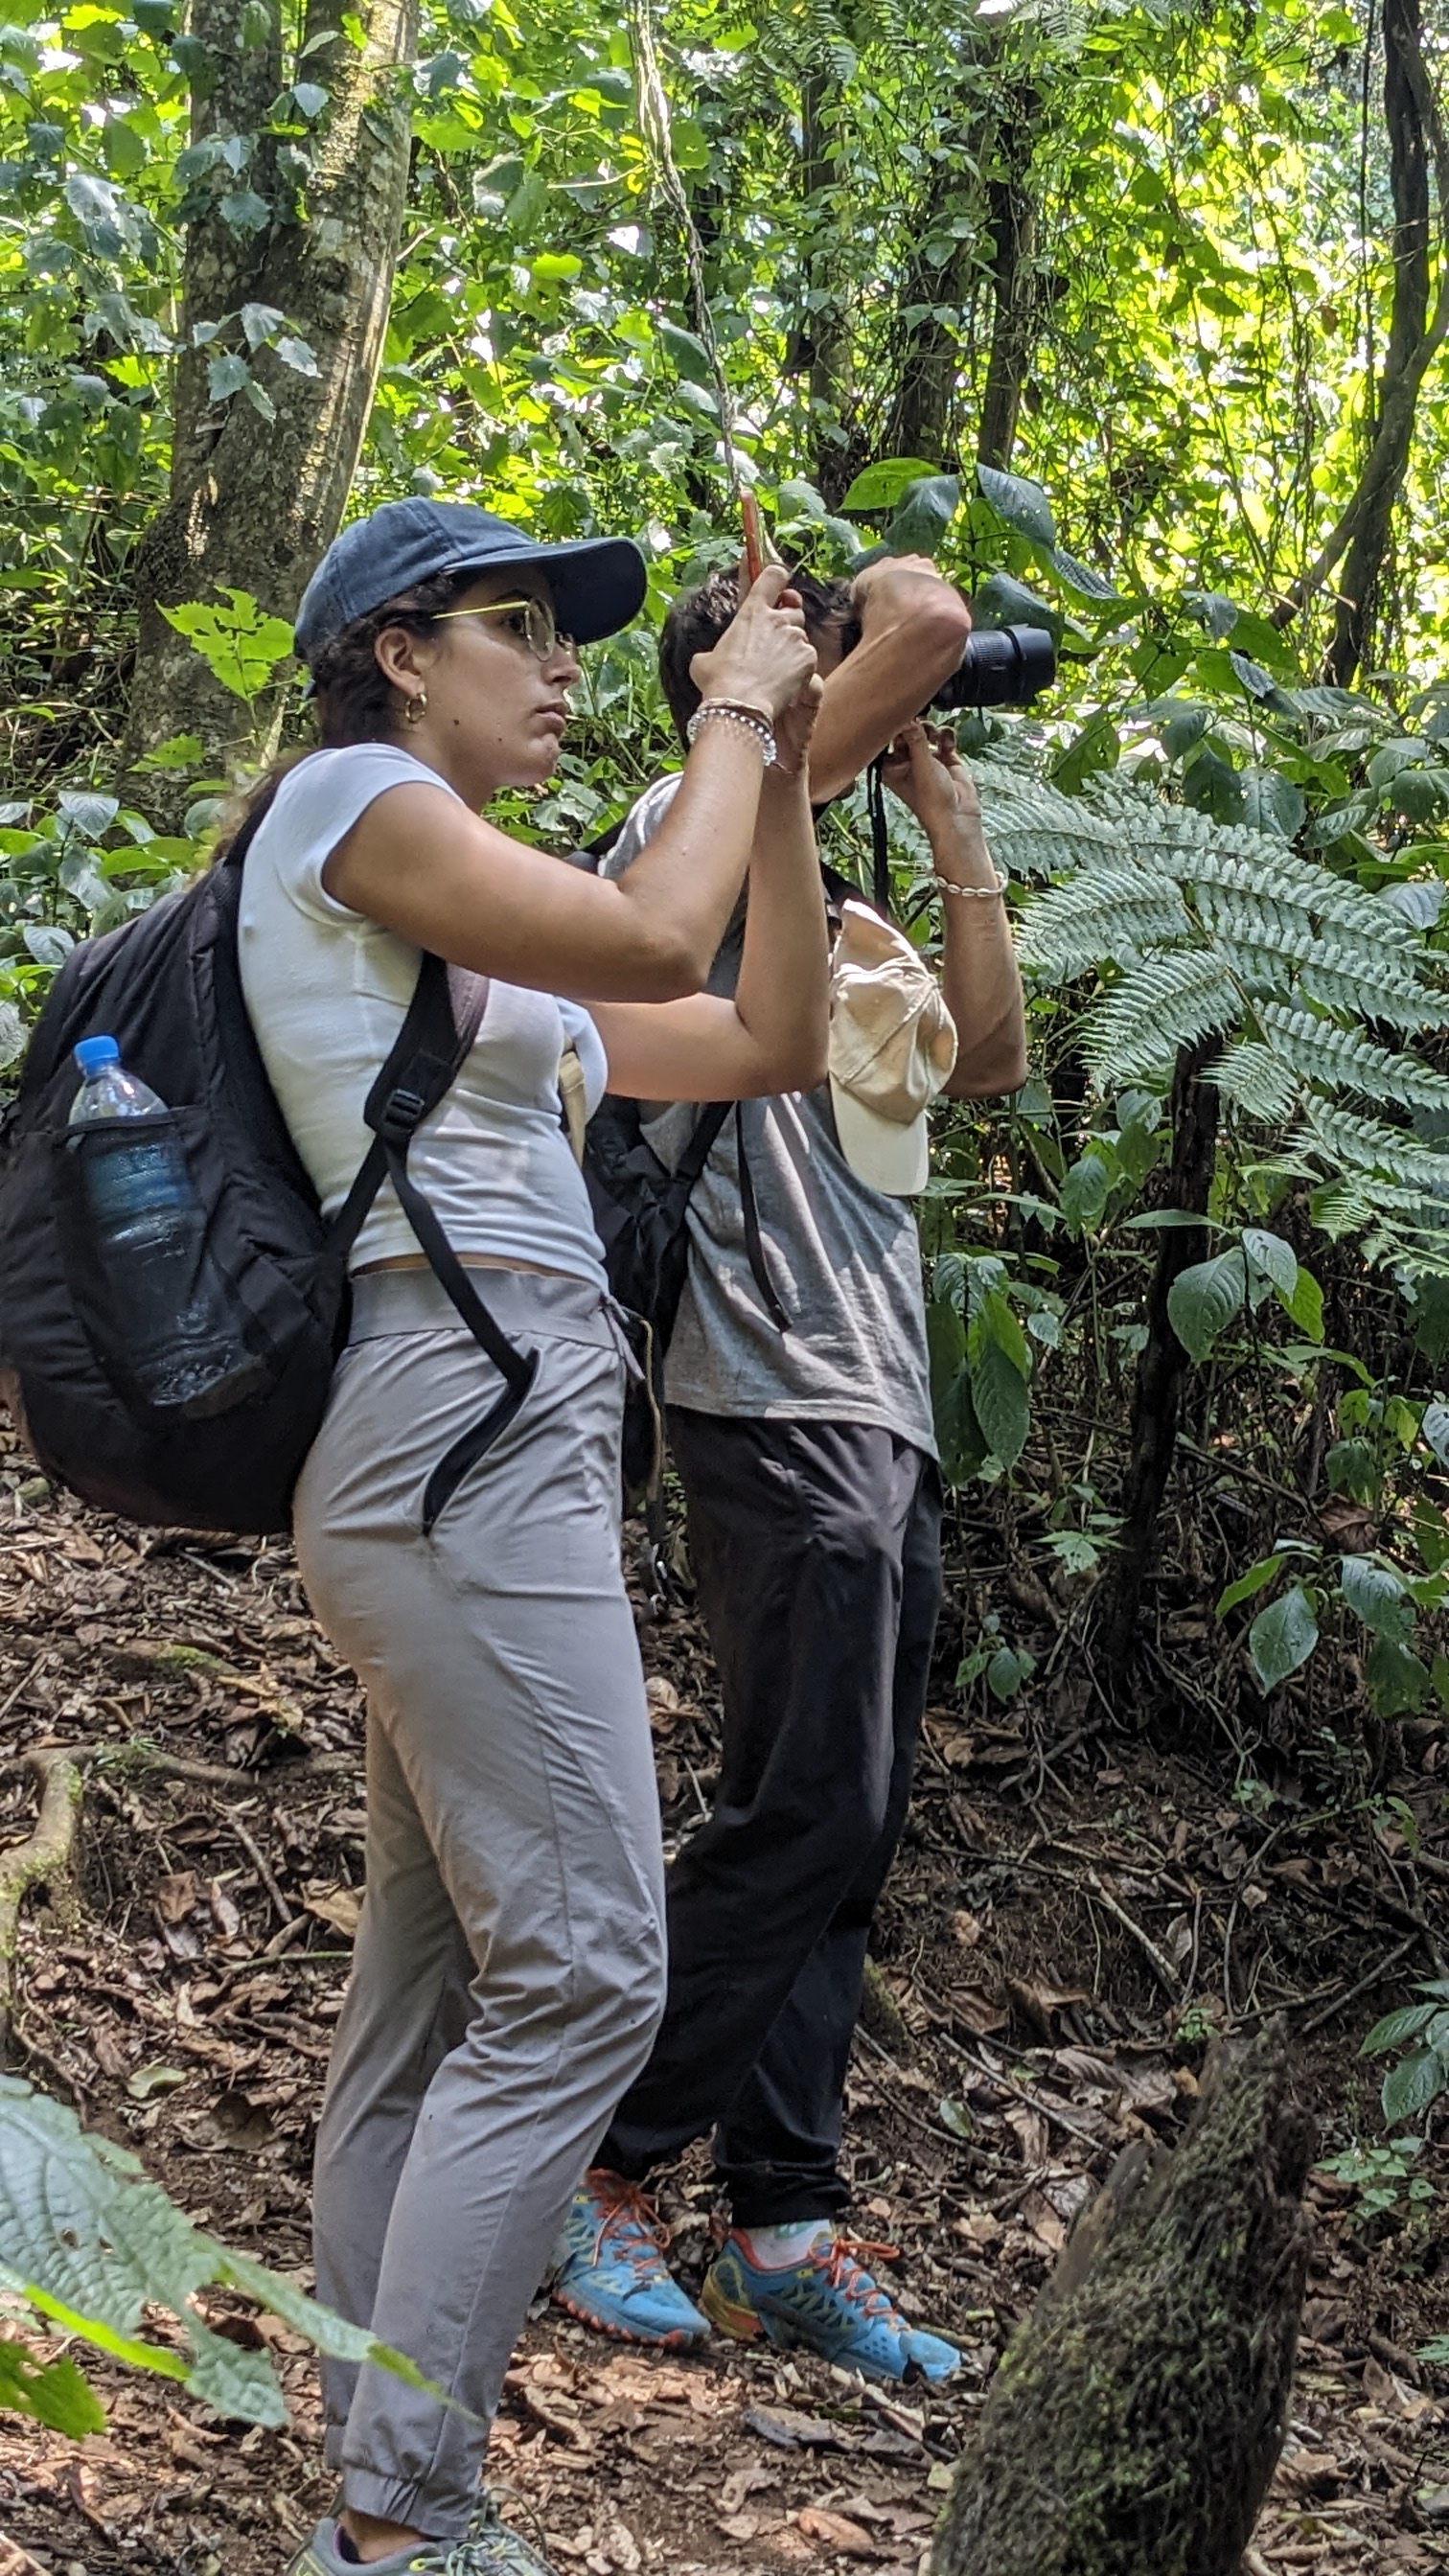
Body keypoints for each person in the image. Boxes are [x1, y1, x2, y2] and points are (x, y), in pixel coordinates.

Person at [230, 496, 826, 2576]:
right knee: (584, 1973)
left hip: (487, 1444)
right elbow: (656, 941)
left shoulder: (480, 956)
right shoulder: (351, 803)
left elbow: (760, 1036)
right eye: (513, 625)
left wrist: (784, 760)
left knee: (429, 2004)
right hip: (455, 1431)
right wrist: (739, 709)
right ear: (399, 652)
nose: (562, 663)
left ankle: (375, 2508)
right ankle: (407, 2525)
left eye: (572, 634)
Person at [551, 546, 1027, 2383]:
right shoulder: (701, 815)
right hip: (758, 1390)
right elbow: (920, 615)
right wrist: (850, 644)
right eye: (801, 668)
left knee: (853, 1831)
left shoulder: (829, 884)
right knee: (800, 1808)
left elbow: (977, 1063)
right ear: (756, 683)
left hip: (884, 1394)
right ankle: (595, 2161)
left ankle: (782, 2226)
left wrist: (954, 810)